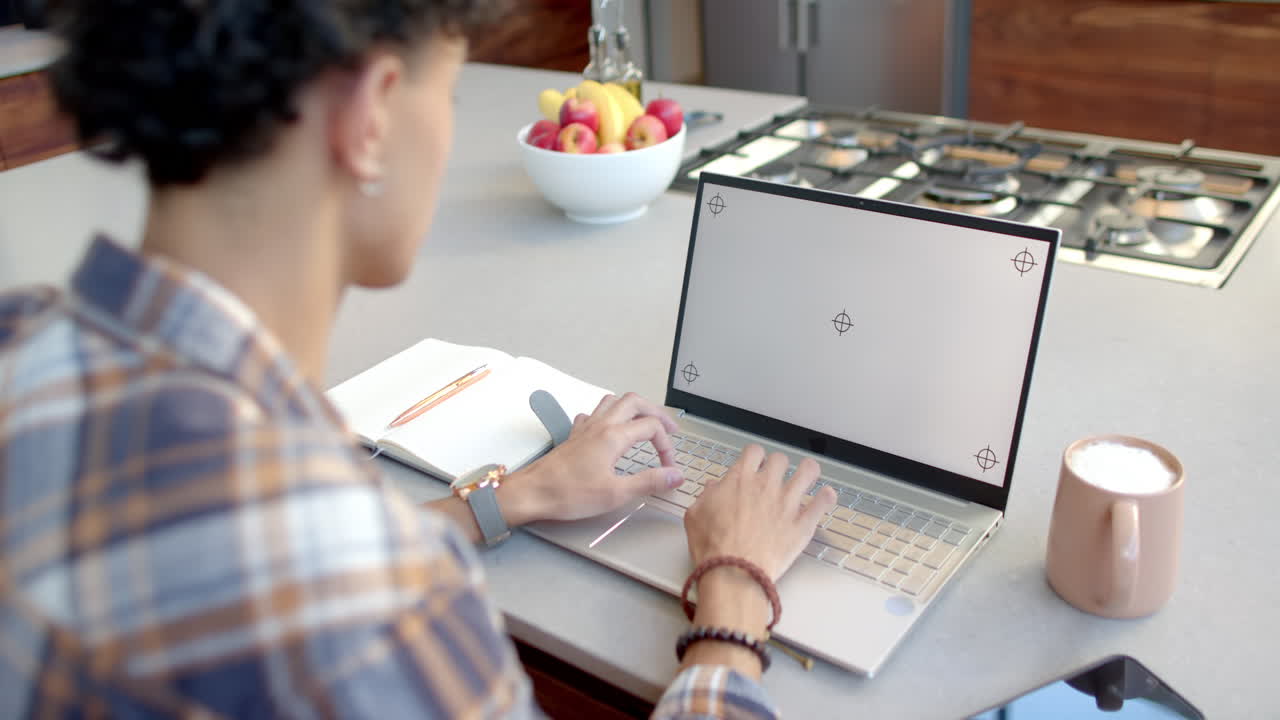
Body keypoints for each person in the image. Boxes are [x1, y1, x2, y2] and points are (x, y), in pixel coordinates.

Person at [0, 1, 838, 717]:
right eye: (450, 91)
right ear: (371, 115)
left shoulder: (23, 344)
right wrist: (733, 599)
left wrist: (509, 499)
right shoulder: (377, 607)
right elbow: (330, 576)